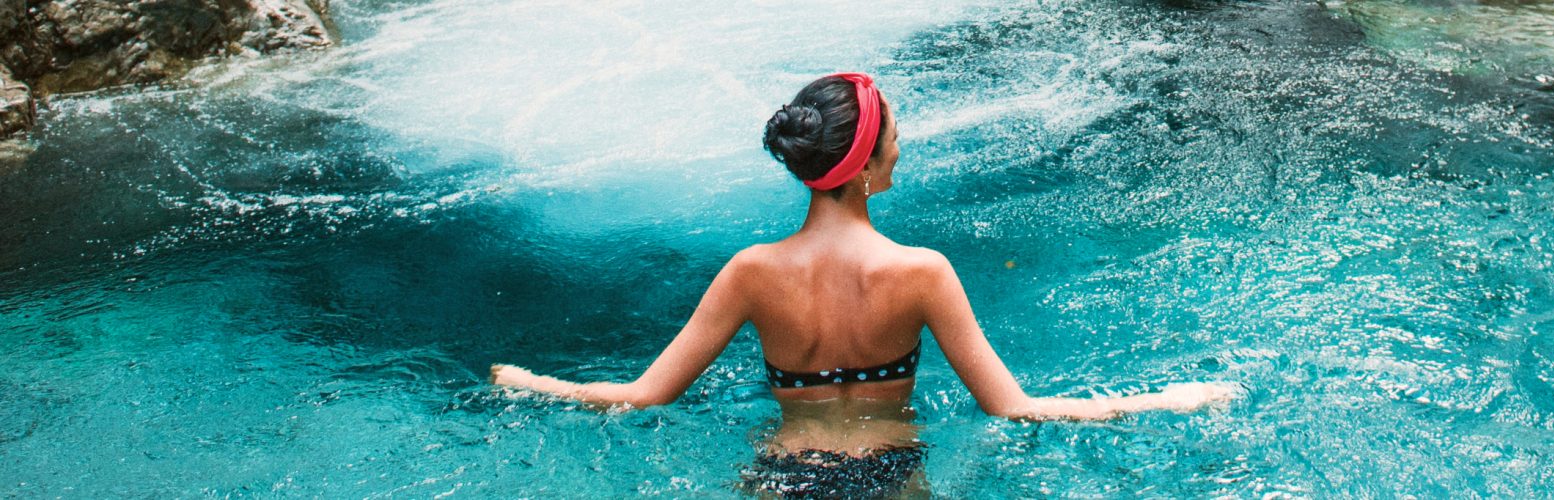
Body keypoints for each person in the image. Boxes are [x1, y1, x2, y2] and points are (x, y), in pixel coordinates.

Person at [490, 72, 1238, 496]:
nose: (901, 149)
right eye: (895, 138)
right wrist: (1164, 401)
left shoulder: (751, 273)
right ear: (867, 164)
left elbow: (645, 396)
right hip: (892, 474)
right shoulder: (922, 274)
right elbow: (1015, 409)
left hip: (782, 476)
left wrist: (533, 383)